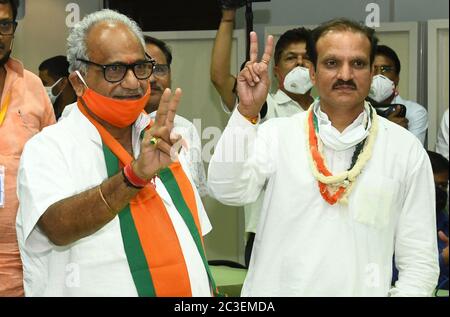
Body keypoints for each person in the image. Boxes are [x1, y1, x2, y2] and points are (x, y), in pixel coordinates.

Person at [208, 19, 439, 296]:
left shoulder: (404, 149)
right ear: (313, 74)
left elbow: (419, 260)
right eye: (331, 63)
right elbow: (226, 189)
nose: (345, 74)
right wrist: (245, 114)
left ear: (371, 74)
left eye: (358, 64)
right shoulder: (277, 134)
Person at [16, 9, 215, 297]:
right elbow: (56, 227)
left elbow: (193, 240)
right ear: (77, 82)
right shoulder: (49, 147)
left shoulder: (162, 139)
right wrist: (134, 176)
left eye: (141, 67)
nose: (133, 83)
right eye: (114, 70)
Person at [210, 4, 314, 266]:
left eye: (306, 58)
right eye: (291, 58)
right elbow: (220, 78)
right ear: (276, 71)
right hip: (268, 232)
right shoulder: (262, 104)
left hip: (318, 228)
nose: (300, 63)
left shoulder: (327, 113)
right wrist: (228, 17)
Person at [0, 0, 55, 296]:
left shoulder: (32, 87)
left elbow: (55, 171)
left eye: (4, 25)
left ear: (13, 30)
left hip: (25, 267)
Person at [144, 35, 208, 197]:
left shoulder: (186, 128)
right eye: (143, 69)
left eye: (159, 70)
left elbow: (196, 196)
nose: (152, 78)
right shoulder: (118, 128)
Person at [392, 151, 448, 291]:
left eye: (443, 186)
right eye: (433, 185)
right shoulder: (392, 222)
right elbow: (393, 276)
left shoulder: (444, 220)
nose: (439, 192)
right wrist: (444, 259)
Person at [368, 45, 428, 145]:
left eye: (386, 69)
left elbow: (412, 156)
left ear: (397, 78)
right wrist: (387, 129)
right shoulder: (351, 110)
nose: (378, 75)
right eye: (372, 69)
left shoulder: (414, 112)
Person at [38, 55, 77, 120]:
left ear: (63, 83)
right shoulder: (48, 107)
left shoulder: (80, 111)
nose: (40, 87)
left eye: (44, 83)